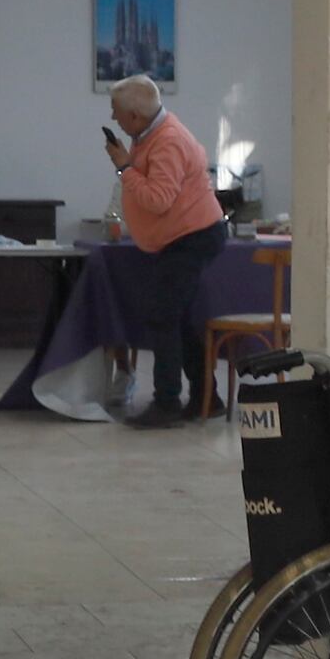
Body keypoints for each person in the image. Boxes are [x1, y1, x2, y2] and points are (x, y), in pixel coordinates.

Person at [97, 73, 226, 426]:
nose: (113, 118)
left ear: (135, 116)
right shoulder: (149, 133)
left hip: (193, 236)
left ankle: (167, 404)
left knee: (162, 315)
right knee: (177, 318)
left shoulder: (167, 140)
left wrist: (124, 167)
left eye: (116, 111)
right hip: (182, 237)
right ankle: (206, 398)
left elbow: (158, 199)